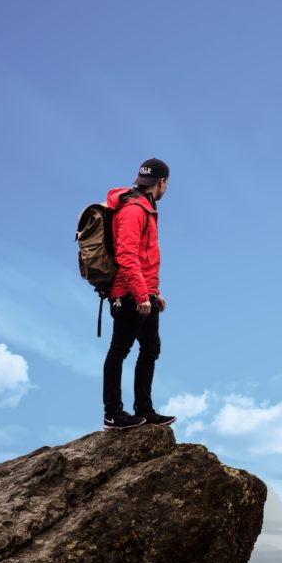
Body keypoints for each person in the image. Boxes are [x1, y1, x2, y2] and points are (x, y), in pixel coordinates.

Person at [102, 157, 178, 430]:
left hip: (144, 292)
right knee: (119, 350)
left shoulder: (147, 206)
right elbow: (126, 255)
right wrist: (141, 294)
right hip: (129, 293)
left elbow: (145, 258)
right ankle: (112, 413)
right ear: (162, 182)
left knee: (150, 349)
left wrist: (154, 293)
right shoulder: (134, 209)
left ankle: (144, 410)